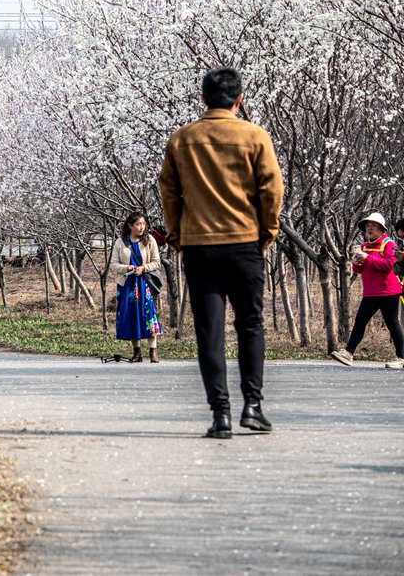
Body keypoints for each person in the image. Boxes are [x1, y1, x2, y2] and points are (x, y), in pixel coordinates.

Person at [159, 67, 284, 439]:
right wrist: (268, 231)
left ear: (203, 99)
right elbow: (271, 189)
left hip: (199, 247)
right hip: (244, 243)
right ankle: (253, 406)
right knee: (249, 324)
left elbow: (169, 191)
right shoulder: (254, 135)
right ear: (239, 98)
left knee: (209, 332)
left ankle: (221, 415)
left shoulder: (182, 139)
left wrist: (178, 234)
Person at [330, 213, 404, 369]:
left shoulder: (388, 244)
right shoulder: (364, 246)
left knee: (392, 323)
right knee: (360, 322)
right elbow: (360, 269)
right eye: (367, 226)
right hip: (371, 292)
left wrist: (367, 258)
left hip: (388, 291)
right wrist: (357, 262)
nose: (370, 228)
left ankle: (401, 357)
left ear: (381, 229)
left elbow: (388, 265)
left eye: (374, 226)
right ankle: (348, 353)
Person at [108, 212, 163, 362]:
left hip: (144, 283)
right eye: (138, 224)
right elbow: (113, 264)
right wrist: (126, 267)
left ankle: (153, 351)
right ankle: (136, 352)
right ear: (130, 225)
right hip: (127, 285)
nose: (141, 227)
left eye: (143, 224)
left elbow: (157, 262)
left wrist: (143, 268)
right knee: (131, 316)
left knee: (149, 315)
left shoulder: (149, 240)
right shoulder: (121, 242)